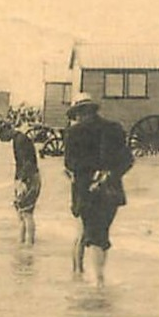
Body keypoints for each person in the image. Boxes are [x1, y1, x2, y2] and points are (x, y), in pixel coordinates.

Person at [63, 92, 133, 287]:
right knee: (101, 234)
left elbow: (70, 164)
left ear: (78, 113)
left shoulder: (73, 133)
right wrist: (109, 175)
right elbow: (128, 160)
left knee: (89, 234)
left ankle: (94, 281)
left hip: (86, 191)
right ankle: (97, 278)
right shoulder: (114, 128)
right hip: (111, 189)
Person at [10, 121, 41, 246]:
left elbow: (27, 163)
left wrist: (21, 181)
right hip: (28, 177)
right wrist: (17, 180)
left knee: (26, 214)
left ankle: (28, 244)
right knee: (23, 213)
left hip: (29, 178)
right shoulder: (18, 139)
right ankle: (23, 243)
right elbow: (22, 163)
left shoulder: (20, 141)